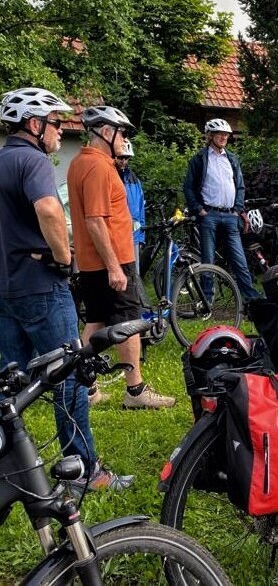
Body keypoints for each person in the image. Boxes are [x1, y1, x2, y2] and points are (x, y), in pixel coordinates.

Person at [0, 87, 133, 491]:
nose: (61, 131)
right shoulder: (33, 160)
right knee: (68, 376)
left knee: (10, 387)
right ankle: (85, 470)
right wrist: (63, 258)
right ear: (35, 125)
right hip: (41, 286)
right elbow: (47, 209)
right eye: (56, 123)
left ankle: (12, 471)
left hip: (5, 290)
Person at [67, 105, 175, 410]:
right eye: (122, 132)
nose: (124, 138)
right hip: (111, 261)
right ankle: (136, 390)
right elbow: (95, 220)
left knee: (96, 321)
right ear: (106, 132)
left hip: (93, 262)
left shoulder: (80, 163)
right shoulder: (99, 167)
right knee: (128, 322)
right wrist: (115, 267)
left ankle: (86, 388)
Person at [183, 118, 260, 301]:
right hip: (208, 214)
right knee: (208, 260)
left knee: (239, 259)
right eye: (219, 134)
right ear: (210, 136)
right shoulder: (200, 159)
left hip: (230, 215)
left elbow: (240, 187)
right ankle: (207, 299)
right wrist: (198, 209)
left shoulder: (232, 159)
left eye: (226, 134)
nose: (223, 137)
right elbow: (188, 187)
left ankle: (251, 298)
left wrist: (237, 210)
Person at [115, 139, 146, 275]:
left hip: (133, 233)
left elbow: (140, 208)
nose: (123, 161)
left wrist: (141, 235)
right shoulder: (110, 175)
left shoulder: (134, 180)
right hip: (116, 232)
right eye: (120, 157)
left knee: (134, 274)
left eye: (126, 158)